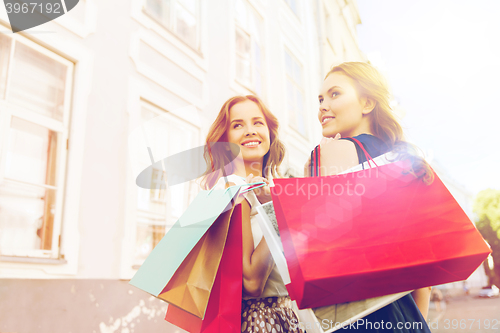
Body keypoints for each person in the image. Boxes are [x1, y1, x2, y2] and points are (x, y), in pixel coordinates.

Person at [307, 61, 433, 332]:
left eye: (334, 94)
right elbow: (424, 269)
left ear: (366, 103)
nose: (322, 106)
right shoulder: (407, 159)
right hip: (408, 316)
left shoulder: (332, 152)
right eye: (320, 98)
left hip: (355, 318)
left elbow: (326, 253)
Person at [201, 95, 304, 333]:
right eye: (238, 125)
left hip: (288, 319)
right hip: (256, 323)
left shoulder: (274, 192)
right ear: (224, 140)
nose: (250, 131)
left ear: (269, 133)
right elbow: (251, 283)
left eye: (258, 122)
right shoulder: (225, 195)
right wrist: (278, 213)